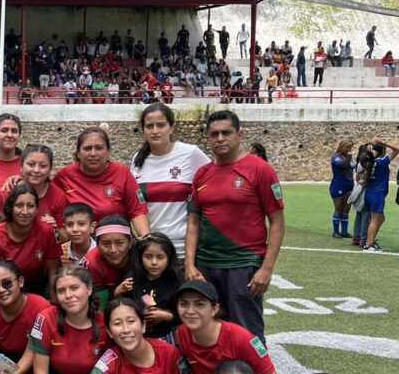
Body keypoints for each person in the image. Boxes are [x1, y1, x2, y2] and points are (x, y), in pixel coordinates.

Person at [185, 110, 284, 346]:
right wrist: (190, 264)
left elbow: (278, 223)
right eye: (214, 134)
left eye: (226, 133)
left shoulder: (260, 170)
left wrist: (266, 269)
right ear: (207, 139)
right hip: (206, 266)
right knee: (207, 332)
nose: (220, 138)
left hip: (243, 265)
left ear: (239, 135)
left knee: (247, 334)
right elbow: (193, 222)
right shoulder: (202, 174)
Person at [175, 281, 300, 374]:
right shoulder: (182, 334)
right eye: (184, 304)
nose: (190, 311)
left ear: (215, 309)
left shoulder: (243, 339)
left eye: (199, 304)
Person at [130, 103, 211, 258]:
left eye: (161, 125)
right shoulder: (138, 159)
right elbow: (135, 205)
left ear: (171, 127)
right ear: (143, 130)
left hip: (184, 251)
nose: (155, 131)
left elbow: (214, 183)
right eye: (149, 126)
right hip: (151, 250)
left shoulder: (191, 153)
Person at [52, 126, 149, 233]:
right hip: (79, 243)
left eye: (99, 148)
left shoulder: (122, 172)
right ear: (78, 153)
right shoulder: (65, 175)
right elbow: (49, 202)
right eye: (87, 148)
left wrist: (146, 240)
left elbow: (137, 211)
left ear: (108, 151)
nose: (93, 153)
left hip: (115, 244)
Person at [0, 183, 61, 296]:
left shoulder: (47, 231)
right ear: (11, 208)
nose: (25, 212)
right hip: (6, 288)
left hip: (38, 287)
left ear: (37, 210)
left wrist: (54, 303)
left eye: (30, 206)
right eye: (19, 205)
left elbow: (53, 271)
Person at [0, 144, 69, 239]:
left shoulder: (58, 196)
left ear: (50, 170)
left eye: (43, 166)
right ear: (21, 167)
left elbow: (65, 236)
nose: (36, 170)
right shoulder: (7, 192)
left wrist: (55, 229)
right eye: (31, 164)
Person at [127, 232, 181, 341]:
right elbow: (119, 305)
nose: (154, 262)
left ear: (169, 259)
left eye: (160, 257)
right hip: (135, 337)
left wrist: (166, 316)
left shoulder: (176, 281)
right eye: (148, 257)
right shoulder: (131, 279)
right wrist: (118, 291)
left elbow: (185, 314)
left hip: (166, 336)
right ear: (140, 257)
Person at [360, 138, 399, 252]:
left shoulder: (369, 162)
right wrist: (383, 143)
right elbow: (398, 149)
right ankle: (368, 245)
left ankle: (371, 241)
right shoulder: (382, 162)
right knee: (374, 220)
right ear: (382, 152)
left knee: (381, 218)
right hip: (377, 193)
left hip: (370, 192)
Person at [329, 139, 355, 238]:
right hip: (338, 186)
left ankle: (344, 231)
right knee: (338, 209)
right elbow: (343, 165)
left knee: (346, 210)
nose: (349, 149)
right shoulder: (336, 158)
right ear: (342, 146)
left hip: (349, 186)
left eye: (350, 147)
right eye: (347, 147)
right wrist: (348, 157)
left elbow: (353, 167)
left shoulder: (349, 158)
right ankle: (336, 232)